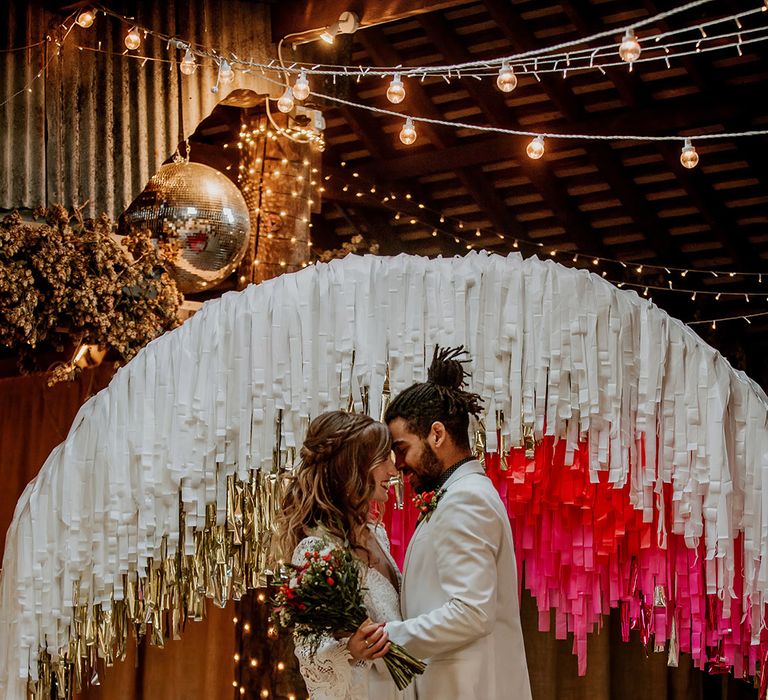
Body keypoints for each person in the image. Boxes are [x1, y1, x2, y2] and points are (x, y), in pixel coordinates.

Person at [383, 346, 532, 700]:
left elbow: (471, 612)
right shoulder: (458, 494)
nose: (398, 464)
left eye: (402, 448)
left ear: (437, 434)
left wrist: (388, 638)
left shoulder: (466, 499)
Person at [274, 411, 415, 700]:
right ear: (352, 467)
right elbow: (309, 654)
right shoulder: (317, 550)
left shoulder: (377, 534)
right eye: (382, 460)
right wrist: (348, 650)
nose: (393, 470)